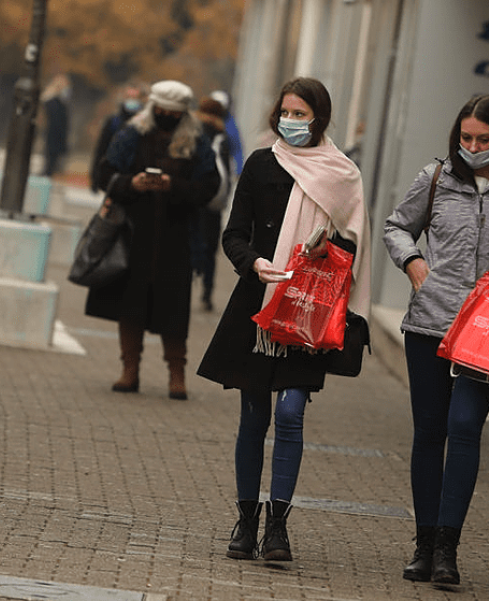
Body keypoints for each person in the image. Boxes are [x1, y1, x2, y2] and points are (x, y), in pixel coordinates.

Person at [197, 77, 371, 562]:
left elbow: (355, 243)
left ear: (321, 118)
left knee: (291, 413)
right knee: (253, 415)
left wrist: (329, 249)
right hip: (259, 302)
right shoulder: (260, 163)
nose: (291, 122)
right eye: (286, 113)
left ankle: (279, 526)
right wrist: (253, 263)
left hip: (308, 308)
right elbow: (234, 234)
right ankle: (246, 521)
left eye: (301, 114)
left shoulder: (343, 174)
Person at [383, 94, 489, 585]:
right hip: (430, 324)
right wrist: (413, 264)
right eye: (466, 138)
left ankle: (447, 550)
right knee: (429, 433)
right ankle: (423, 544)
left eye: (484, 139)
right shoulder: (435, 179)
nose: (474, 146)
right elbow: (397, 227)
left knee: (464, 427)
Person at [89, 79, 219, 400]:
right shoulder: (131, 134)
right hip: (133, 233)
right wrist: (131, 184)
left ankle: (177, 373)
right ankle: (129, 369)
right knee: (130, 305)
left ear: (182, 113)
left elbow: (209, 187)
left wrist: (173, 186)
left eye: (172, 112)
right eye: (160, 110)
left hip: (178, 237)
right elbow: (105, 174)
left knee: (174, 309)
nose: (165, 115)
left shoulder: (197, 141)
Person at [191, 96, 233, 311]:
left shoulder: (193, 131)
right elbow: (226, 171)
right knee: (210, 249)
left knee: (189, 241)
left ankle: (186, 285)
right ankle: (207, 292)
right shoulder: (223, 137)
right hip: (213, 202)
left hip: (192, 198)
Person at [89, 83, 144, 193]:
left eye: (135, 98)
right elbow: (101, 149)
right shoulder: (113, 122)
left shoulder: (144, 124)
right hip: (114, 174)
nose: (132, 101)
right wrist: (95, 177)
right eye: (129, 97)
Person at [41, 74, 71, 177]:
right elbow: (55, 124)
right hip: (52, 139)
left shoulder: (60, 103)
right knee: (49, 166)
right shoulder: (52, 103)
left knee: (52, 166)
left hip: (55, 139)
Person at [211, 90, 244, 177]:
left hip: (220, 167)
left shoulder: (229, 125)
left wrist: (238, 169)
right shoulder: (202, 119)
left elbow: (236, 148)